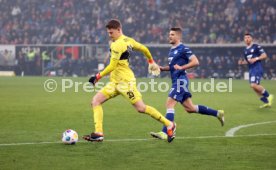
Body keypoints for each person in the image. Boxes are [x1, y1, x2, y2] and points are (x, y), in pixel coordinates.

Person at [83, 19, 176, 143]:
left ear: (118, 30)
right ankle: (99, 133)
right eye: (108, 33)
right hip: (115, 82)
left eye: (111, 33)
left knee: (141, 108)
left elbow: (112, 66)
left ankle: (169, 124)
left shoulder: (117, 44)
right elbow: (144, 49)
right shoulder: (129, 40)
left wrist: (97, 77)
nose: (110, 35)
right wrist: (150, 61)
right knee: (96, 101)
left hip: (125, 83)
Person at [150, 27, 225, 140]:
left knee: (169, 104)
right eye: (169, 34)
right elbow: (172, 67)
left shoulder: (183, 48)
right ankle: (218, 113)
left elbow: (195, 62)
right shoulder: (171, 50)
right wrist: (162, 68)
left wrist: (182, 67)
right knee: (190, 108)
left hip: (181, 80)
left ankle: (166, 132)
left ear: (179, 36)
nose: (169, 36)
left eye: (172, 34)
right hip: (176, 80)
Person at [238, 33, 273, 108]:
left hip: (257, 68)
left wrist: (256, 58)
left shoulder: (256, 46)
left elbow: (264, 55)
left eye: (248, 37)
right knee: (253, 87)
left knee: (254, 85)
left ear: (251, 38)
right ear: (244, 40)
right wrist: (242, 62)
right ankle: (267, 102)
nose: (247, 39)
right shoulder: (245, 50)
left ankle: (269, 96)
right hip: (251, 69)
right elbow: (248, 61)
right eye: (245, 38)